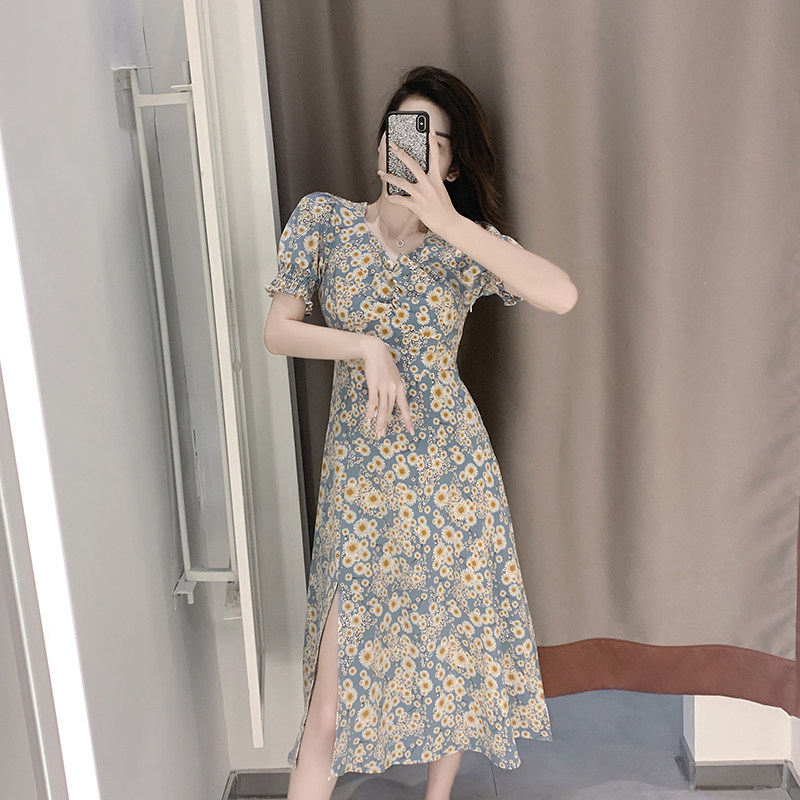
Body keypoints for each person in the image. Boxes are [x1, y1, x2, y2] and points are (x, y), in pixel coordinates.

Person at [263, 65, 577, 800]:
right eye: (398, 129)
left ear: (452, 163)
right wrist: (365, 346)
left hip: (450, 475)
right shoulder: (325, 220)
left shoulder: (463, 246)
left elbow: (561, 295)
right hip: (361, 480)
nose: (405, 146)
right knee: (329, 707)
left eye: (430, 138)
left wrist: (453, 223)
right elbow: (279, 330)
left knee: (453, 662)